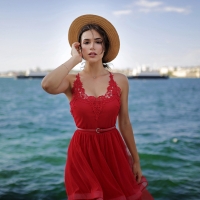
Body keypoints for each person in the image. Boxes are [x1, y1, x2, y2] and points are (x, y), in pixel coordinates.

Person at [41, 14, 154, 200]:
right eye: (86, 42)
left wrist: (136, 160)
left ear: (104, 46)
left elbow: (124, 122)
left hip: (113, 150)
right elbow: (47, 85)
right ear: (79, 48)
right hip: (82, 152)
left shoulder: (120, 81)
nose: (92, 46)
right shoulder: (70, 81)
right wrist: (73, 61)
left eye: (98, 41)